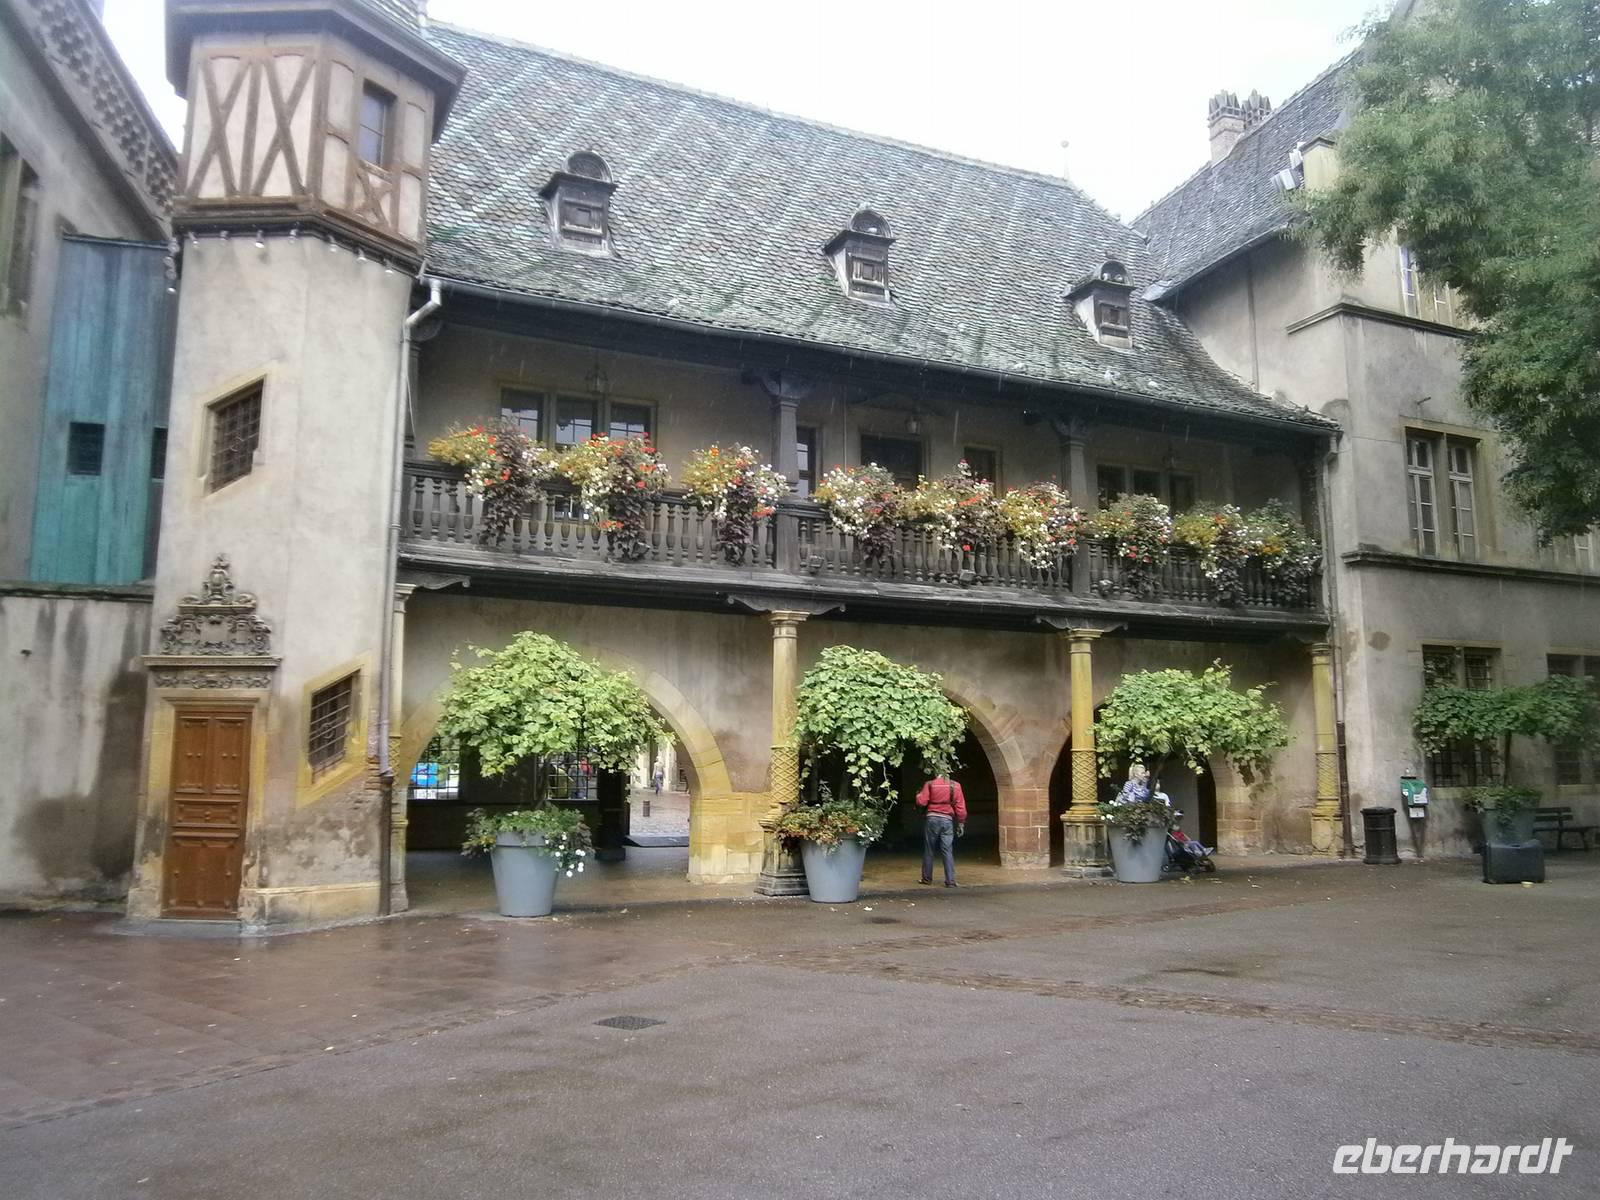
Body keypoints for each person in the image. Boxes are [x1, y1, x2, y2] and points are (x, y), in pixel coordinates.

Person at [916, 771, 967, 887]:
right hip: (947, 820)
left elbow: (921, 802)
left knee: (929, 849)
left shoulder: (930, 784)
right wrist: (961, 823)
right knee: (947, 850)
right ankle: (950, 881)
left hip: (932, 819)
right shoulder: (955, 785)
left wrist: (918, 795)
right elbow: (961, 807)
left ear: (936, 773)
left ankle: (926, 879)